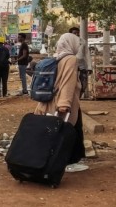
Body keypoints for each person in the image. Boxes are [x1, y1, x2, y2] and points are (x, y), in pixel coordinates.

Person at [34, 33, 85, 164]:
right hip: (63, 103)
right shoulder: (71, 59)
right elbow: (67, 82)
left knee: (66, 129)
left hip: (50, 101)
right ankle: (66, 160)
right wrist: (64, 104)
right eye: (77, 44)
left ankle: (72, 156)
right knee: (66, 130)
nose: (78, 47)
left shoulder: (57, 57)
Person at [69, 27, 88, 98]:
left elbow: (87, 54)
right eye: (74, 33)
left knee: (83, 85)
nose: (76, 34)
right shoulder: (67, 41)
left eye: (78, 33)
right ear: (70, 34)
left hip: (82, 66)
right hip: (70, 66)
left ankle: (78, 99)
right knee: (71, 86)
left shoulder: (82, 41)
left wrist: (89, 67)